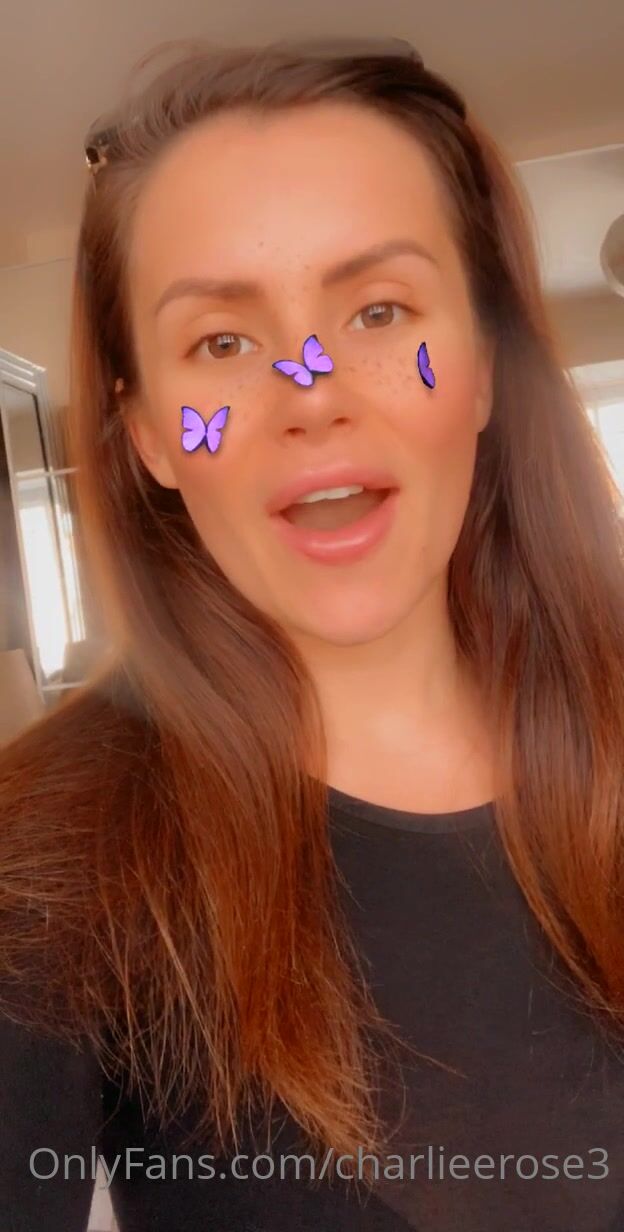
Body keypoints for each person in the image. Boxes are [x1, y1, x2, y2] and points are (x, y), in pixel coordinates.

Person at [1, 34, 624, 1232]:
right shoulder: (41, 862)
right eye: (222, 342)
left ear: (482, 370)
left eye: (379, 310)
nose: (311, 389)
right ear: (147, 436)